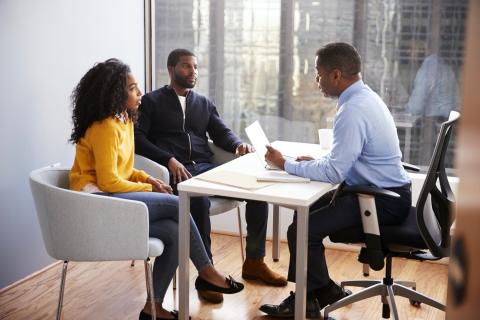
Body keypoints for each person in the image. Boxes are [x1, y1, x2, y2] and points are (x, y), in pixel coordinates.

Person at [68, 59, 243, 320]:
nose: (139, 93)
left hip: (114, 198)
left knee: (175, 232)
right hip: (96, 202)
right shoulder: (104, 126)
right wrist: (147, 187)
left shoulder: (124, 121)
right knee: (178, 203)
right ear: (115, 93)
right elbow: (107, 181)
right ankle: (206, 271)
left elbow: (124, 170)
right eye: (132, 88)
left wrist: (150, 180)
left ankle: (153, 307)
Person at [260, 43, 412, 318]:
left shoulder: (352, 110)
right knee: (304, 220)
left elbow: (334, 173)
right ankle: (324, 290)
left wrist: (285, 164)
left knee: (302, 231)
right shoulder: (365, 98)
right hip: (386, 192)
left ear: (336, 75)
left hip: (381, 200)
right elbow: (345, 157)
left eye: (318, 75)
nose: (316, 81)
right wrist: (313, 163)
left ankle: (305, 302)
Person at [134, 49, 287, 303]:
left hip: (205, 168)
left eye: (195, 67)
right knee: (199, 200)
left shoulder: (202, 102)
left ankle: (254, 261)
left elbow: (221, 132)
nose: (193, 71)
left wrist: (239, 145)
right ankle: (208, 274)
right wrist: (167, 159)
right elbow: (138, 139)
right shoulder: (152, 101)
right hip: (176, 173)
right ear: (171, 70)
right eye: (186, 66)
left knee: (257, 191)